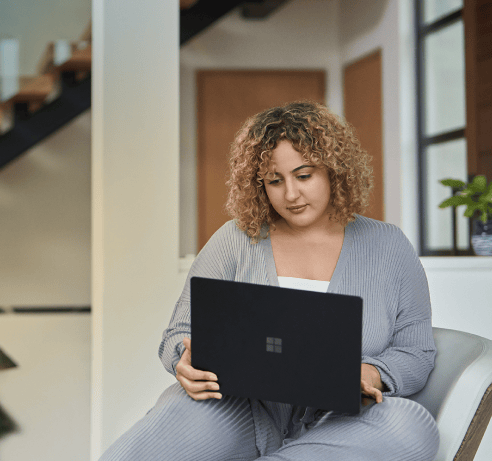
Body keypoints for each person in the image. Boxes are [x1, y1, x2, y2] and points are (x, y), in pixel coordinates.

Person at [100, 101, 440, 461]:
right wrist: (183, 360)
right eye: (275, 181)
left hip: (343, 419)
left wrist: (370, 372)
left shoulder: (388, 246)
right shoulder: (235, 239)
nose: (290, 195)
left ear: (334, 171)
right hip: (234, 410)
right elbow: (179, 331)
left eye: (304, 175)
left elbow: (416, 351)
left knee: (410, 425)